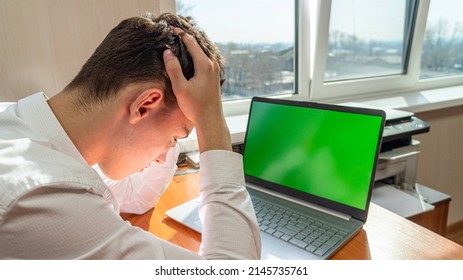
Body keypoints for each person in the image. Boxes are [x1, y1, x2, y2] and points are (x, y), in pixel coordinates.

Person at [0, 13, 261, 259]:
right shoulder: (41, 198)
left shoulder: (23, 127)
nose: (163, 157)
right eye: (174, 137)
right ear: (144, 105)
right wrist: (211, 119)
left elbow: (134, 199)